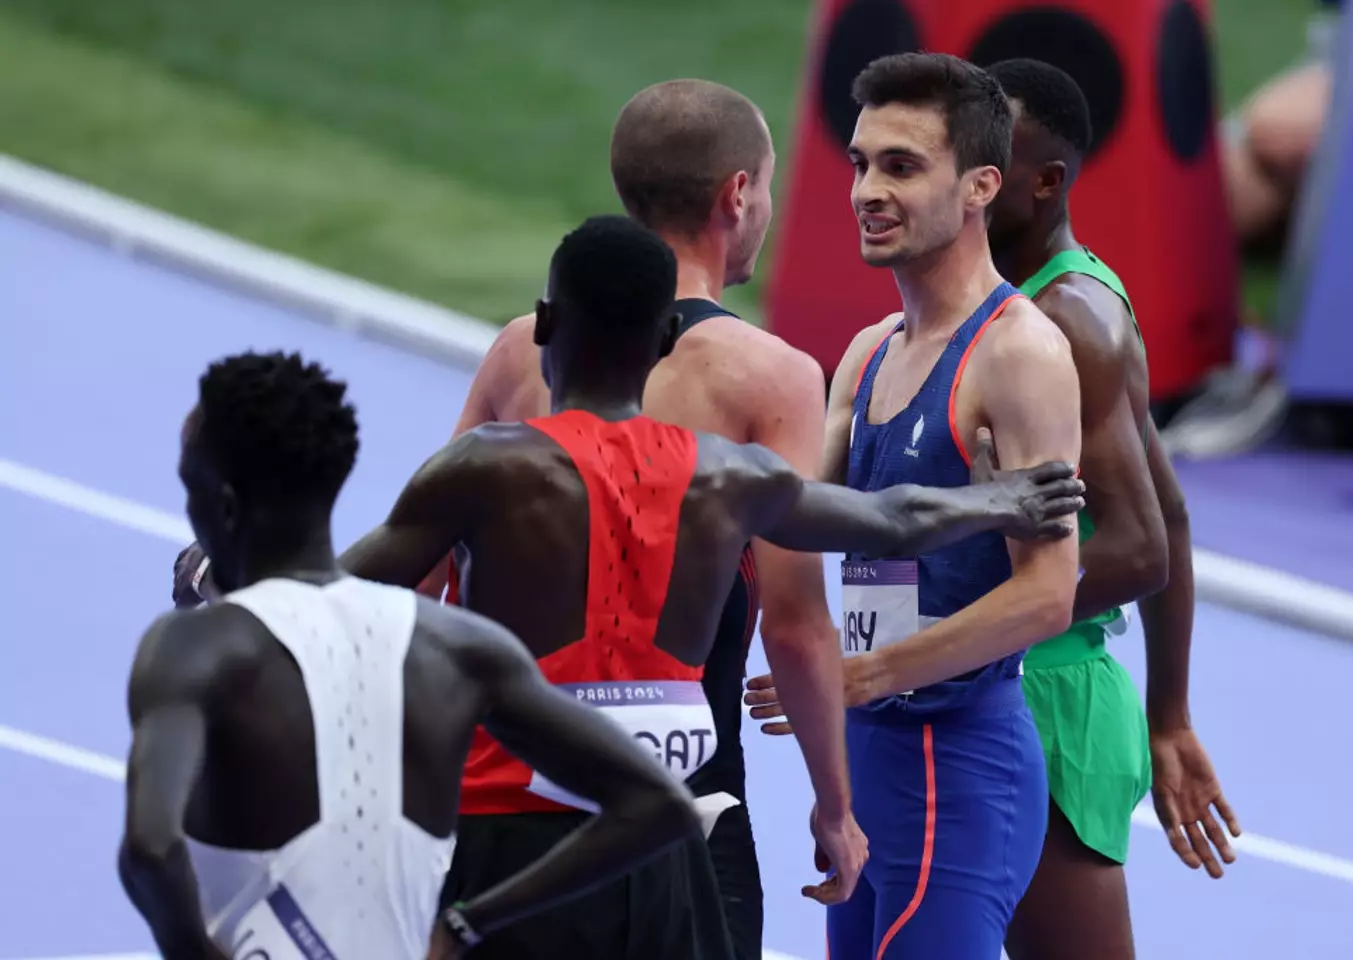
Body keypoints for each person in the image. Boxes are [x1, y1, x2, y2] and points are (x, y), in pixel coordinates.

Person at [337, 214, 1085, 957]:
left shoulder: (486, 467)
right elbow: (893, 518)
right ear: (666, 338)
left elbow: (336, 593)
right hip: (663, 846)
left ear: (545, 325)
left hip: (511, 842)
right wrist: (1002, 501)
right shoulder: (726, 478)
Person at [420, 77, 856, 960]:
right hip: (683, 800)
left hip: (507, 800)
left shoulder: (522, 349)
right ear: (738, 194)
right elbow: (795, 622)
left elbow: (429, 579)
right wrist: (835, 806)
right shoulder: (771, 377)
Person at [123, 351, 704, 960]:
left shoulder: (194, 648)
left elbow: (150, 849)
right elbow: (661, 803)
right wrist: (465, 925)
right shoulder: (462, 649)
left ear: (222, 505)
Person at [745, 52, 1082, 960]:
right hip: (865, 759)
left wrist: (860, 676)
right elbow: (791, 521)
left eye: (901, 166)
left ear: (980, 186)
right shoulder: (868, 353)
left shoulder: (1020, 356)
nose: (867, 191)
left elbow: (1049, 594)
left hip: (956, 765)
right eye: (861, 164)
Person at [982, 58, 1242, 959]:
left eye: (988, 159)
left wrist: (956, 617)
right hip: (986, 674)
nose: (962, 175)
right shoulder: (1010, 302)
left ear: (1045, 180)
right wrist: (1170, 714)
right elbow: (1171, 511)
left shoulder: (1068, 317)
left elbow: (1141, 543)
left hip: (1039, 695)